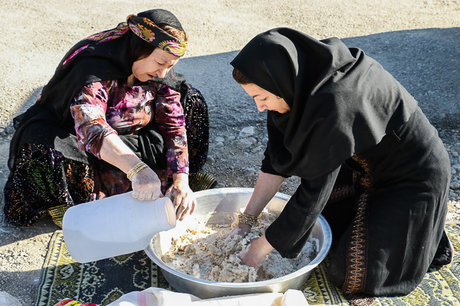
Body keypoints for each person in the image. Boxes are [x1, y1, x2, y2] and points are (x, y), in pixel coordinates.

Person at [230, 28, 453, 299]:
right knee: (323, 225)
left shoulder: (334, 102)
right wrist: (247, 220)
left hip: (411, 177)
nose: (259, 107)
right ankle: (409, 229)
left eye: (262, 97)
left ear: (278, 83)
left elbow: (313, 192)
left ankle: (426, 239)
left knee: (350, 273)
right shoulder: (295, 85)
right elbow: (275, 161)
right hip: (362, 167)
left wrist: (258, 250)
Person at [4, 9, 211, 227]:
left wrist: (181, 178)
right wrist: (137, 169)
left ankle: (171, 182)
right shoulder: (95, 70)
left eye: (170, 66)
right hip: (87, 146)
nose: (162, 73)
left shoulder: (160, 76)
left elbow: (173, 123)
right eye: (159, 63)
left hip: (134, 140)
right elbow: (92, 128)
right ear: (139, 49)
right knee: (41, 146)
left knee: (192, 102)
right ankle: (72, 199)